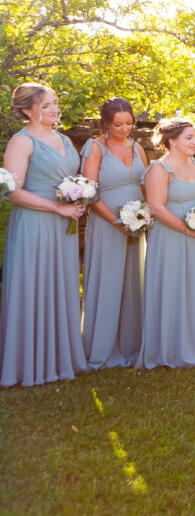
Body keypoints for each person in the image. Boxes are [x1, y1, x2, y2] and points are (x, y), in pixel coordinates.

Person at [0, 83, 86, 386]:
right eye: (46, 105)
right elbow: (13, 193)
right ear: (27, 110)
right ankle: (30, 363)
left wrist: (77, 197)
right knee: (33, 286)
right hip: (35, 224)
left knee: (60, 286)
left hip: (63, 226)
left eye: (55, 103)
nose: (54, 109)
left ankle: (60, 356)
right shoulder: (21, 142)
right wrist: (56, 207)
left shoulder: (63, 139)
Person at [136, 119, 195, 370]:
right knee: (170, 285)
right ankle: (168, 349)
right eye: (188, 137)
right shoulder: (159, 169)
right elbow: (157, 208)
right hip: (170, 235)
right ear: (171, 140)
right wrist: (187, 230)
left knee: (192, 287)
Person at [80, 98, 149, 369]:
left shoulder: (137, 147)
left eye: (129, 123)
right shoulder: (95, 147)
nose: (125, 129)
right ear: (106, 123)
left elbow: (146, 186)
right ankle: (102, 345)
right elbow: (89, 193)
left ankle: (133, 344)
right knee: (108, 279)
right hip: (107, 222)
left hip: (137, 223)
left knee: (135, 281)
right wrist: (115, 221)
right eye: (118, 124)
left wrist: (142, 217)